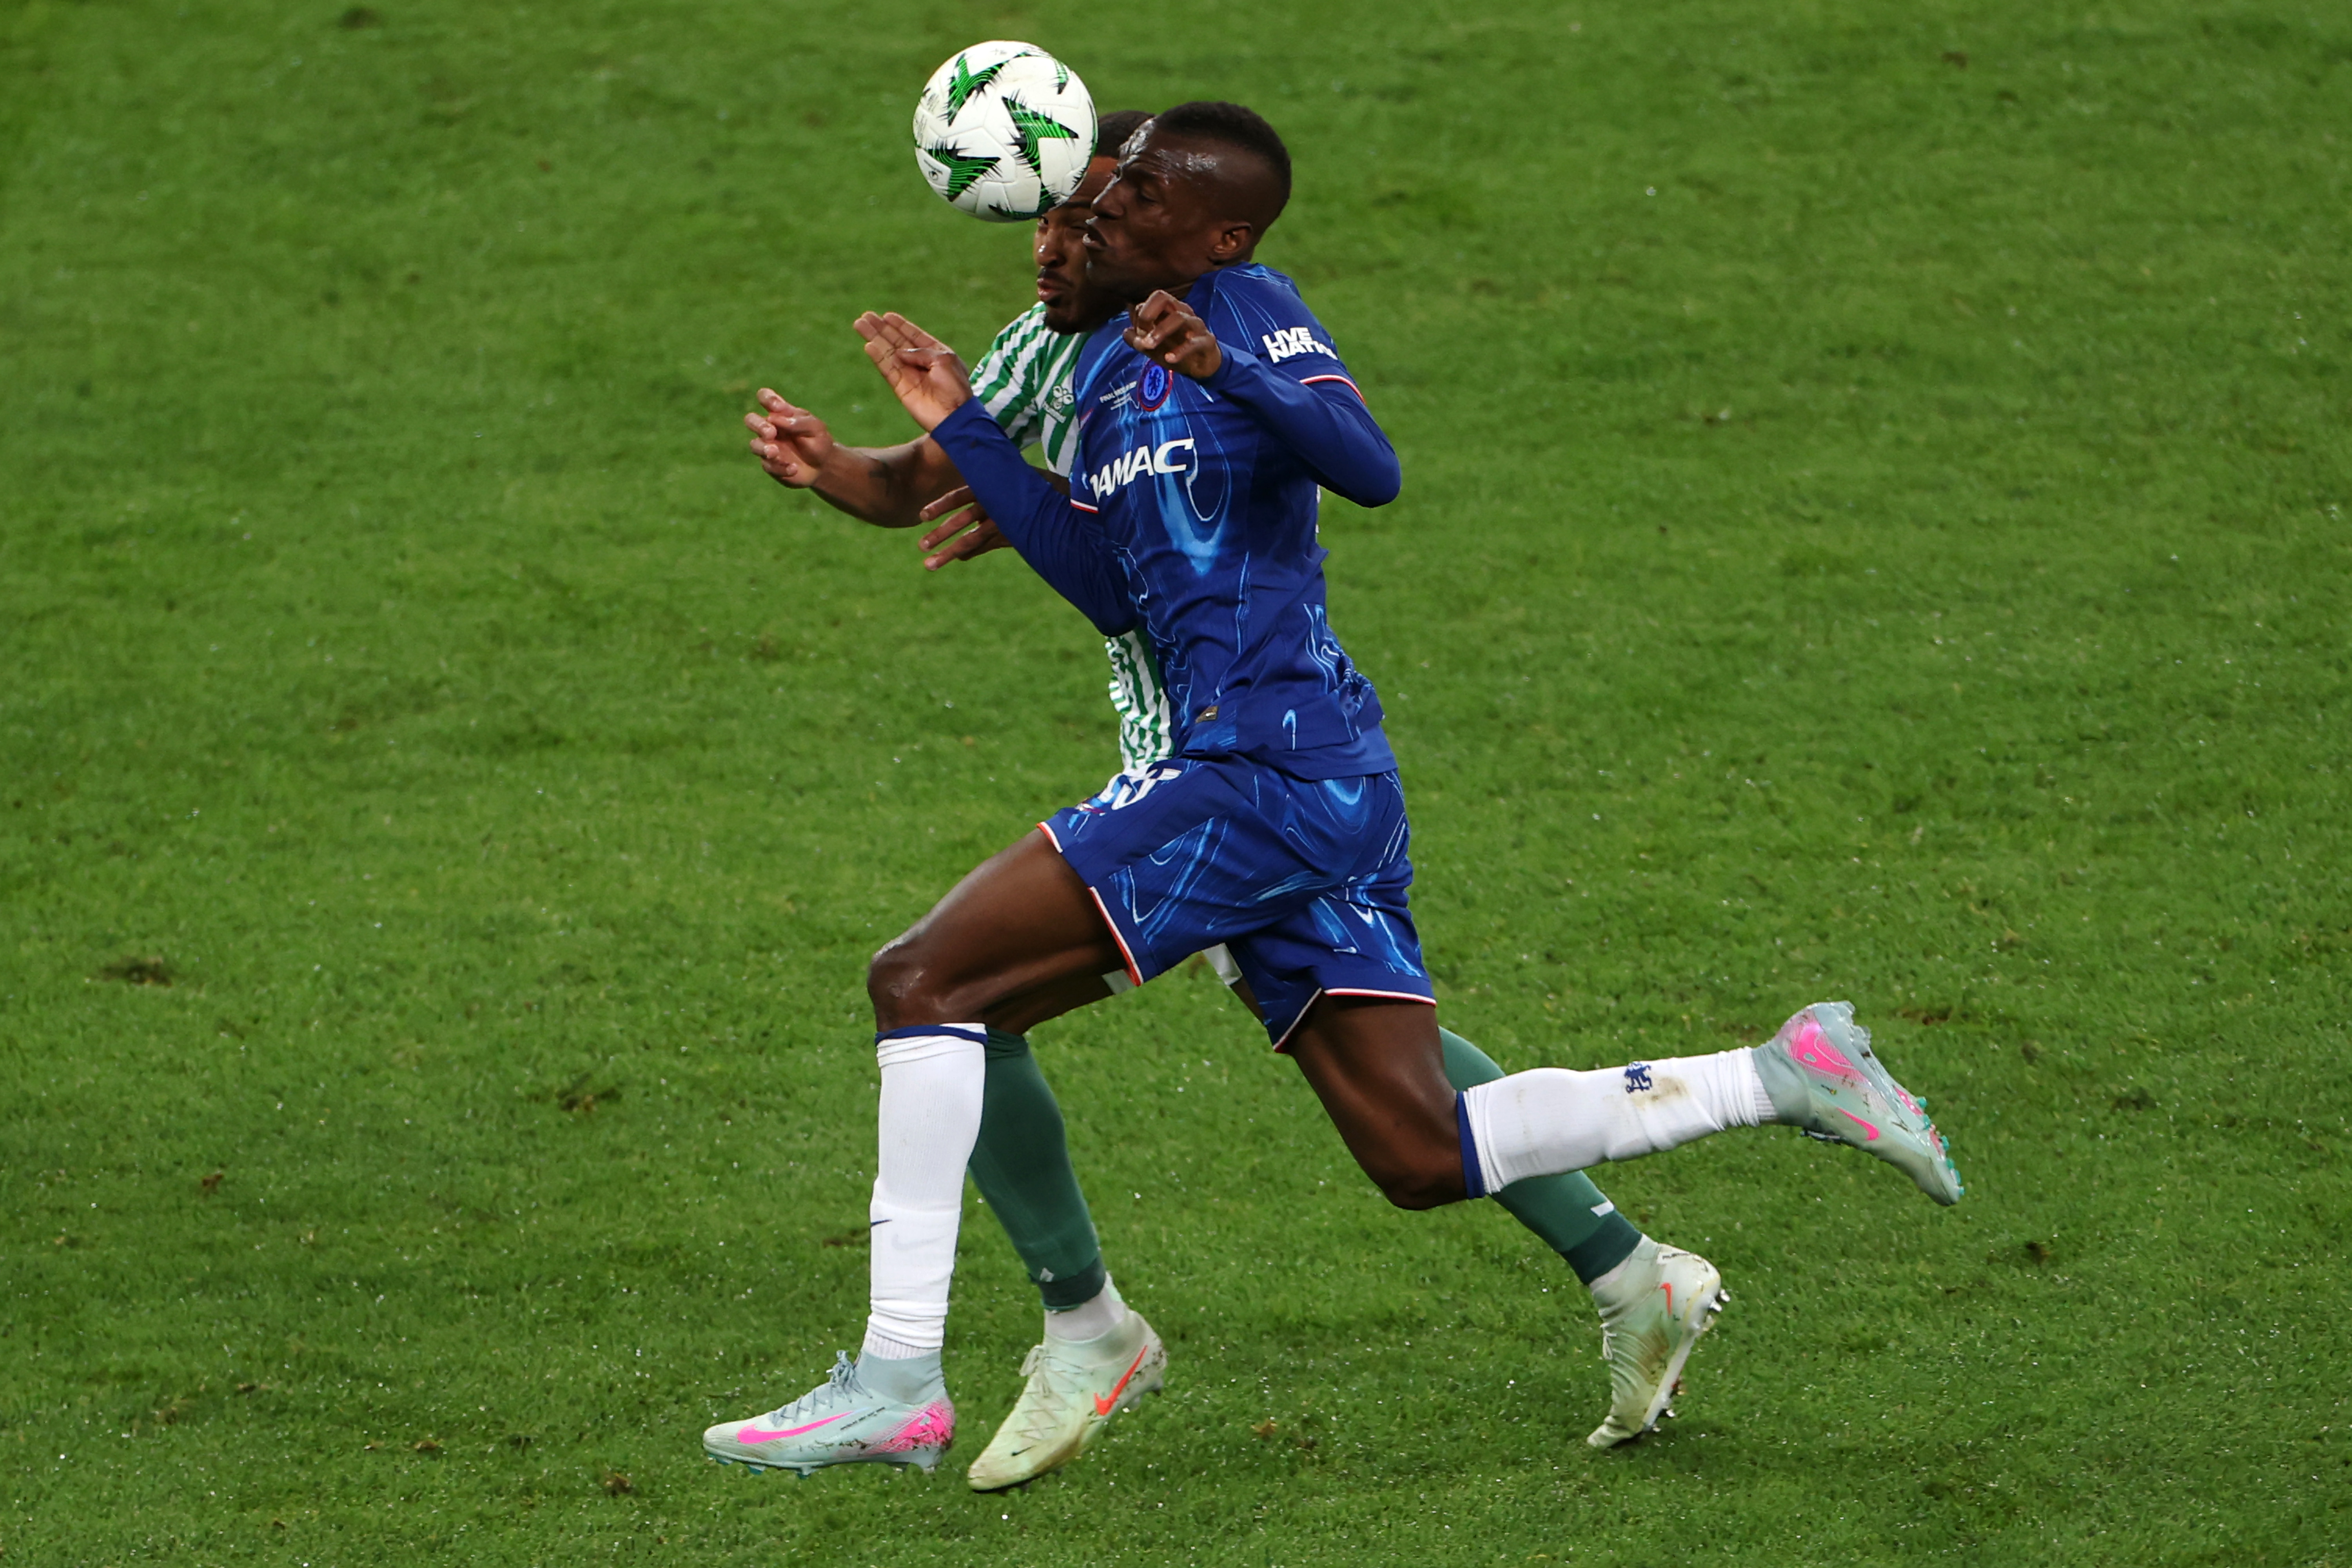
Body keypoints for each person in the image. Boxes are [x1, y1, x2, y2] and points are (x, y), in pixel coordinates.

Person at [707, 101, 1959, 1482]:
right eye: (1087, 197)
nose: (1092, 214)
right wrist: (963, 431)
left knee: (927, 985)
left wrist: (1227, 370)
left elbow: (1372, 471)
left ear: (1213, 236)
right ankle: (1783, 1075)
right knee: (1424, 1151)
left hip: (1259, 766)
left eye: (1120, 196)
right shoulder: (1112, 373)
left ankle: (902, 1377)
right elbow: (1114, 586)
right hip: (1297, 775)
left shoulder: (1244, 307)